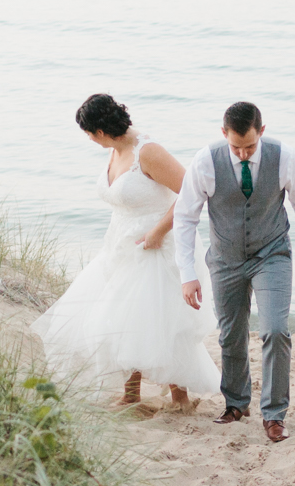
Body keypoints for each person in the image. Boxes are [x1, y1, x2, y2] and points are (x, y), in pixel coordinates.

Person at [30, 93, 223, 412]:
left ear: (101, 132)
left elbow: (192, 193)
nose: (90, 140)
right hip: (120, 245)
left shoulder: (148, 152)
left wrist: (158, 232)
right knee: (121, 318)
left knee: (161, 320)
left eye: (90, 134)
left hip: (157, 245)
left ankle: (180, 397)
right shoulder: (115, 150)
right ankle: (131, 393)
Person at [171, 101, 295, 443]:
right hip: (225, 259)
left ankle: (274, 415)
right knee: (231, 334)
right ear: (223, 133)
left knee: (276, 330)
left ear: (262, 132)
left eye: (250, 146)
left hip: (272, 254)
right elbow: (185, 217)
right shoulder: (205, 162)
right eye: (235, 146)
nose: (242, 154)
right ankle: (237, 404)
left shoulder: (284, 157)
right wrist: (187, 273)